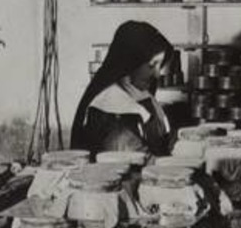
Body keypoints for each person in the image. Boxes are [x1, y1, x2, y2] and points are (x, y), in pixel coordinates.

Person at [69, 20, 176, 156]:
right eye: (151, 65)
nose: (157, 73)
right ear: (132, 62)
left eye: (159, 65)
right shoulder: (108, 109)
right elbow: (136, 158)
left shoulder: (138, 92)